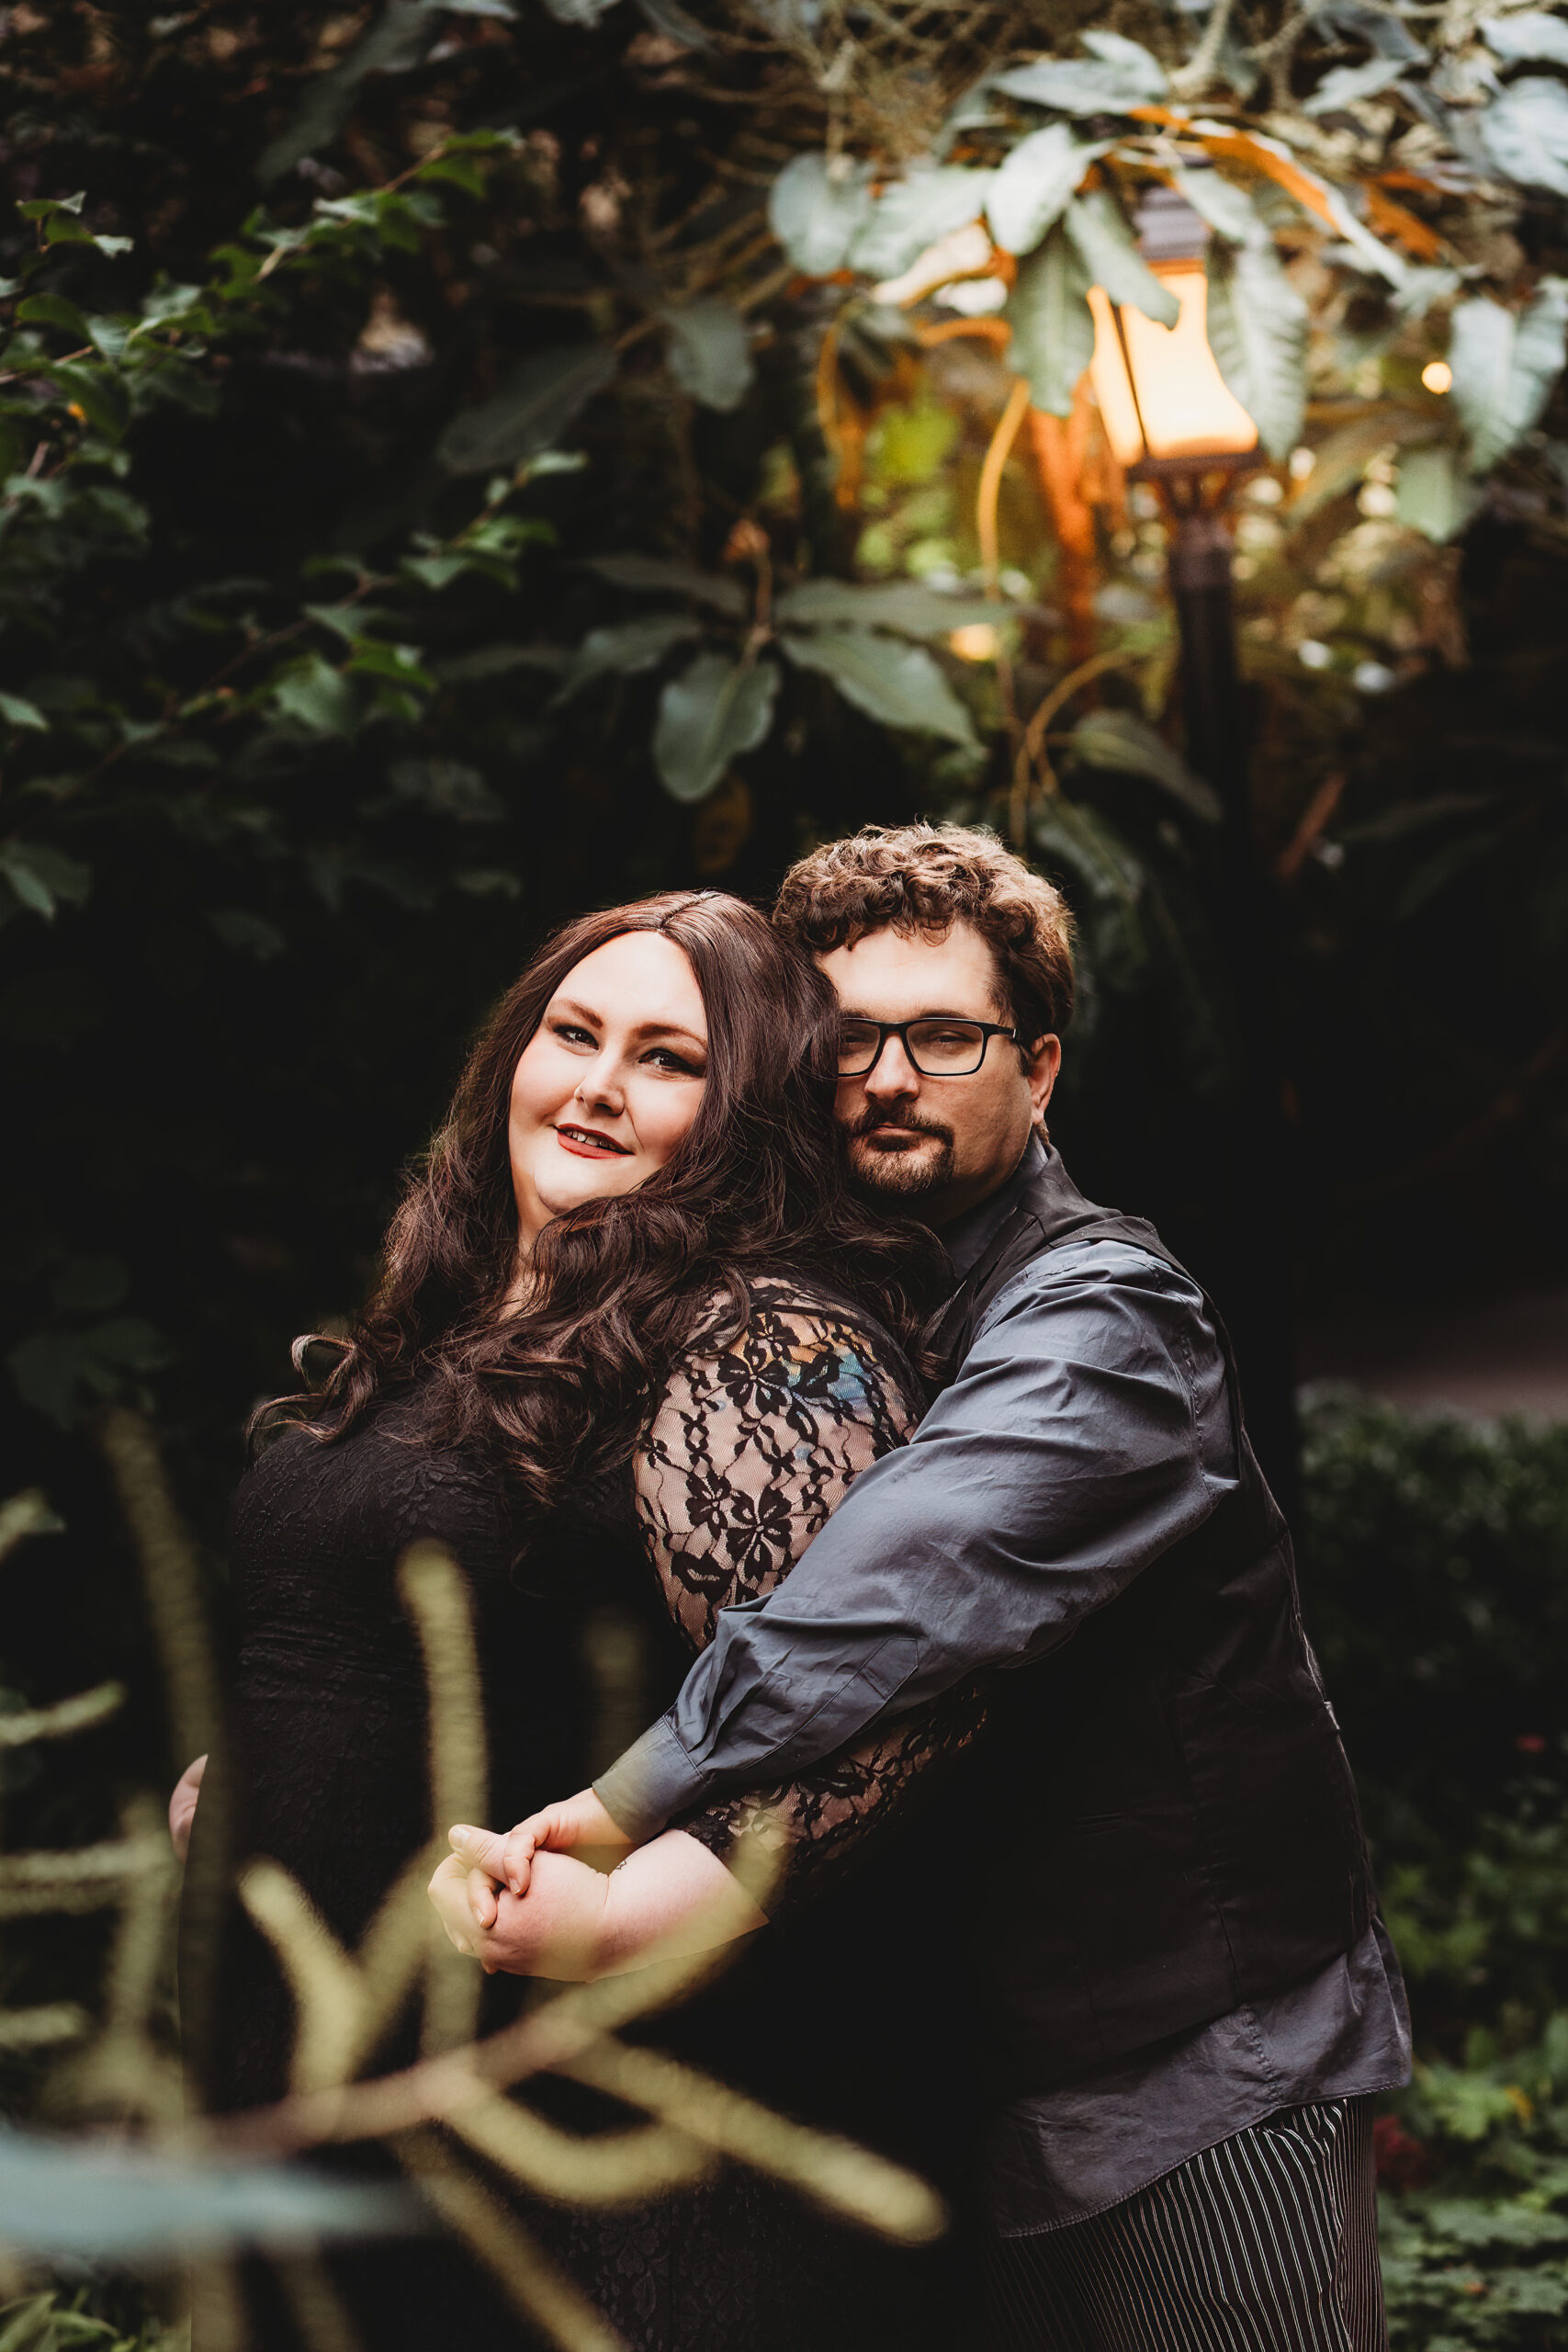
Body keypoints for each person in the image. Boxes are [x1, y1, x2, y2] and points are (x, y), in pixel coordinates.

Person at [444, 825, 1412, 2352]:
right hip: (941, 2081)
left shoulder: (1103, 1317)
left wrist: (623, 1809)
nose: (889, 1079)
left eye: (945, 1037)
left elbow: (901, 1590)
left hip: (1190, 2064)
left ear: (1039, 1070)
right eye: (847, 1040)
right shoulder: (796, 1306)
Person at [178, 888, 981, 2352]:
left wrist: (620, 1924)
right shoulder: (455, 1319)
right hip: (332, 2102)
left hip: (602, 2139)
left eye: (669, 1059)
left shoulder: (761, 1345)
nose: (600, 1083)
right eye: (574, 1033)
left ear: (749, 1117)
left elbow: (887, 1708)